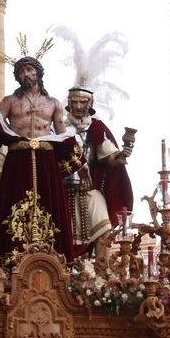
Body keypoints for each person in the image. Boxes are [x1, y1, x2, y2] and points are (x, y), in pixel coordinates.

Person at [0, 54, 84, 261]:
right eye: (21, 71)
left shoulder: (53, 103)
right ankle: (10, 259)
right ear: (17, 77)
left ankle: (54, 258)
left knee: (50, 206)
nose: (25, 74)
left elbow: (62, 135)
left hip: (46, 159)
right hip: (18, 157)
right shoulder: (9, 101)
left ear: (38, 72)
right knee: (13, 204)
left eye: (29, 70)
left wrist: (78, 162)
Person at [63, 87, 134, 256]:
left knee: (104, 228)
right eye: (75, 102)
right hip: (63, 190)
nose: (79, 106)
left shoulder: (96, 128)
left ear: (90, 104)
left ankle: (103, 273)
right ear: (69, 103)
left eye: (83, 102)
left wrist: (121, 155)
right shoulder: (59, 127)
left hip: (89, 190)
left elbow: (109, 159)